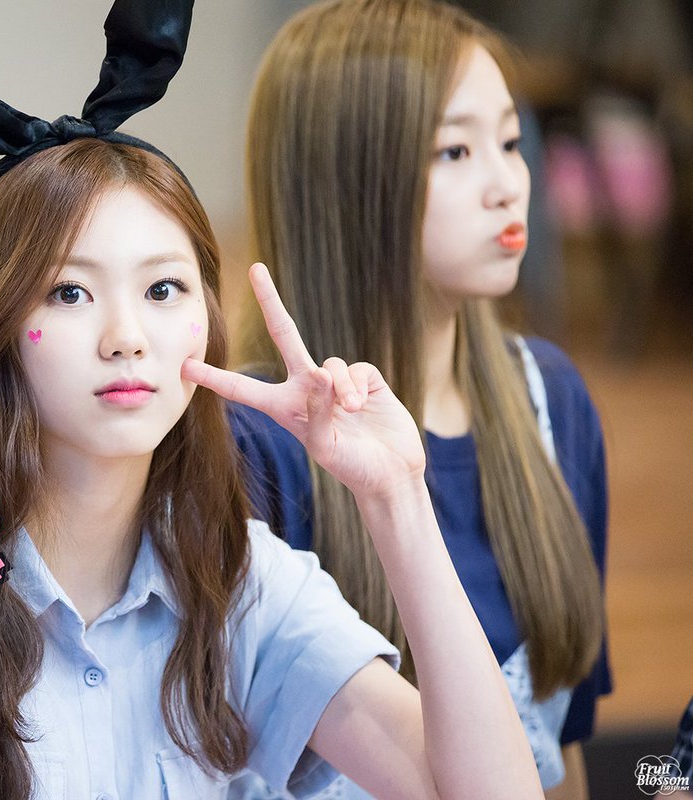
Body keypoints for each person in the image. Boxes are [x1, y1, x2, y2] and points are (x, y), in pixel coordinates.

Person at [0, 2, 542, 797]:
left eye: (163, 289)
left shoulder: (239, 581)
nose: (126, 337)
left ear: (206, 319)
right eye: (69, 293)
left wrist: (397, 499)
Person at [234, 0, 609, 796]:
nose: (508, 185)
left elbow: (564, 748)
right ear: (346, 178)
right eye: (457, 150)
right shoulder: (256, 445)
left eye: (512, 142)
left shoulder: (552, 400)